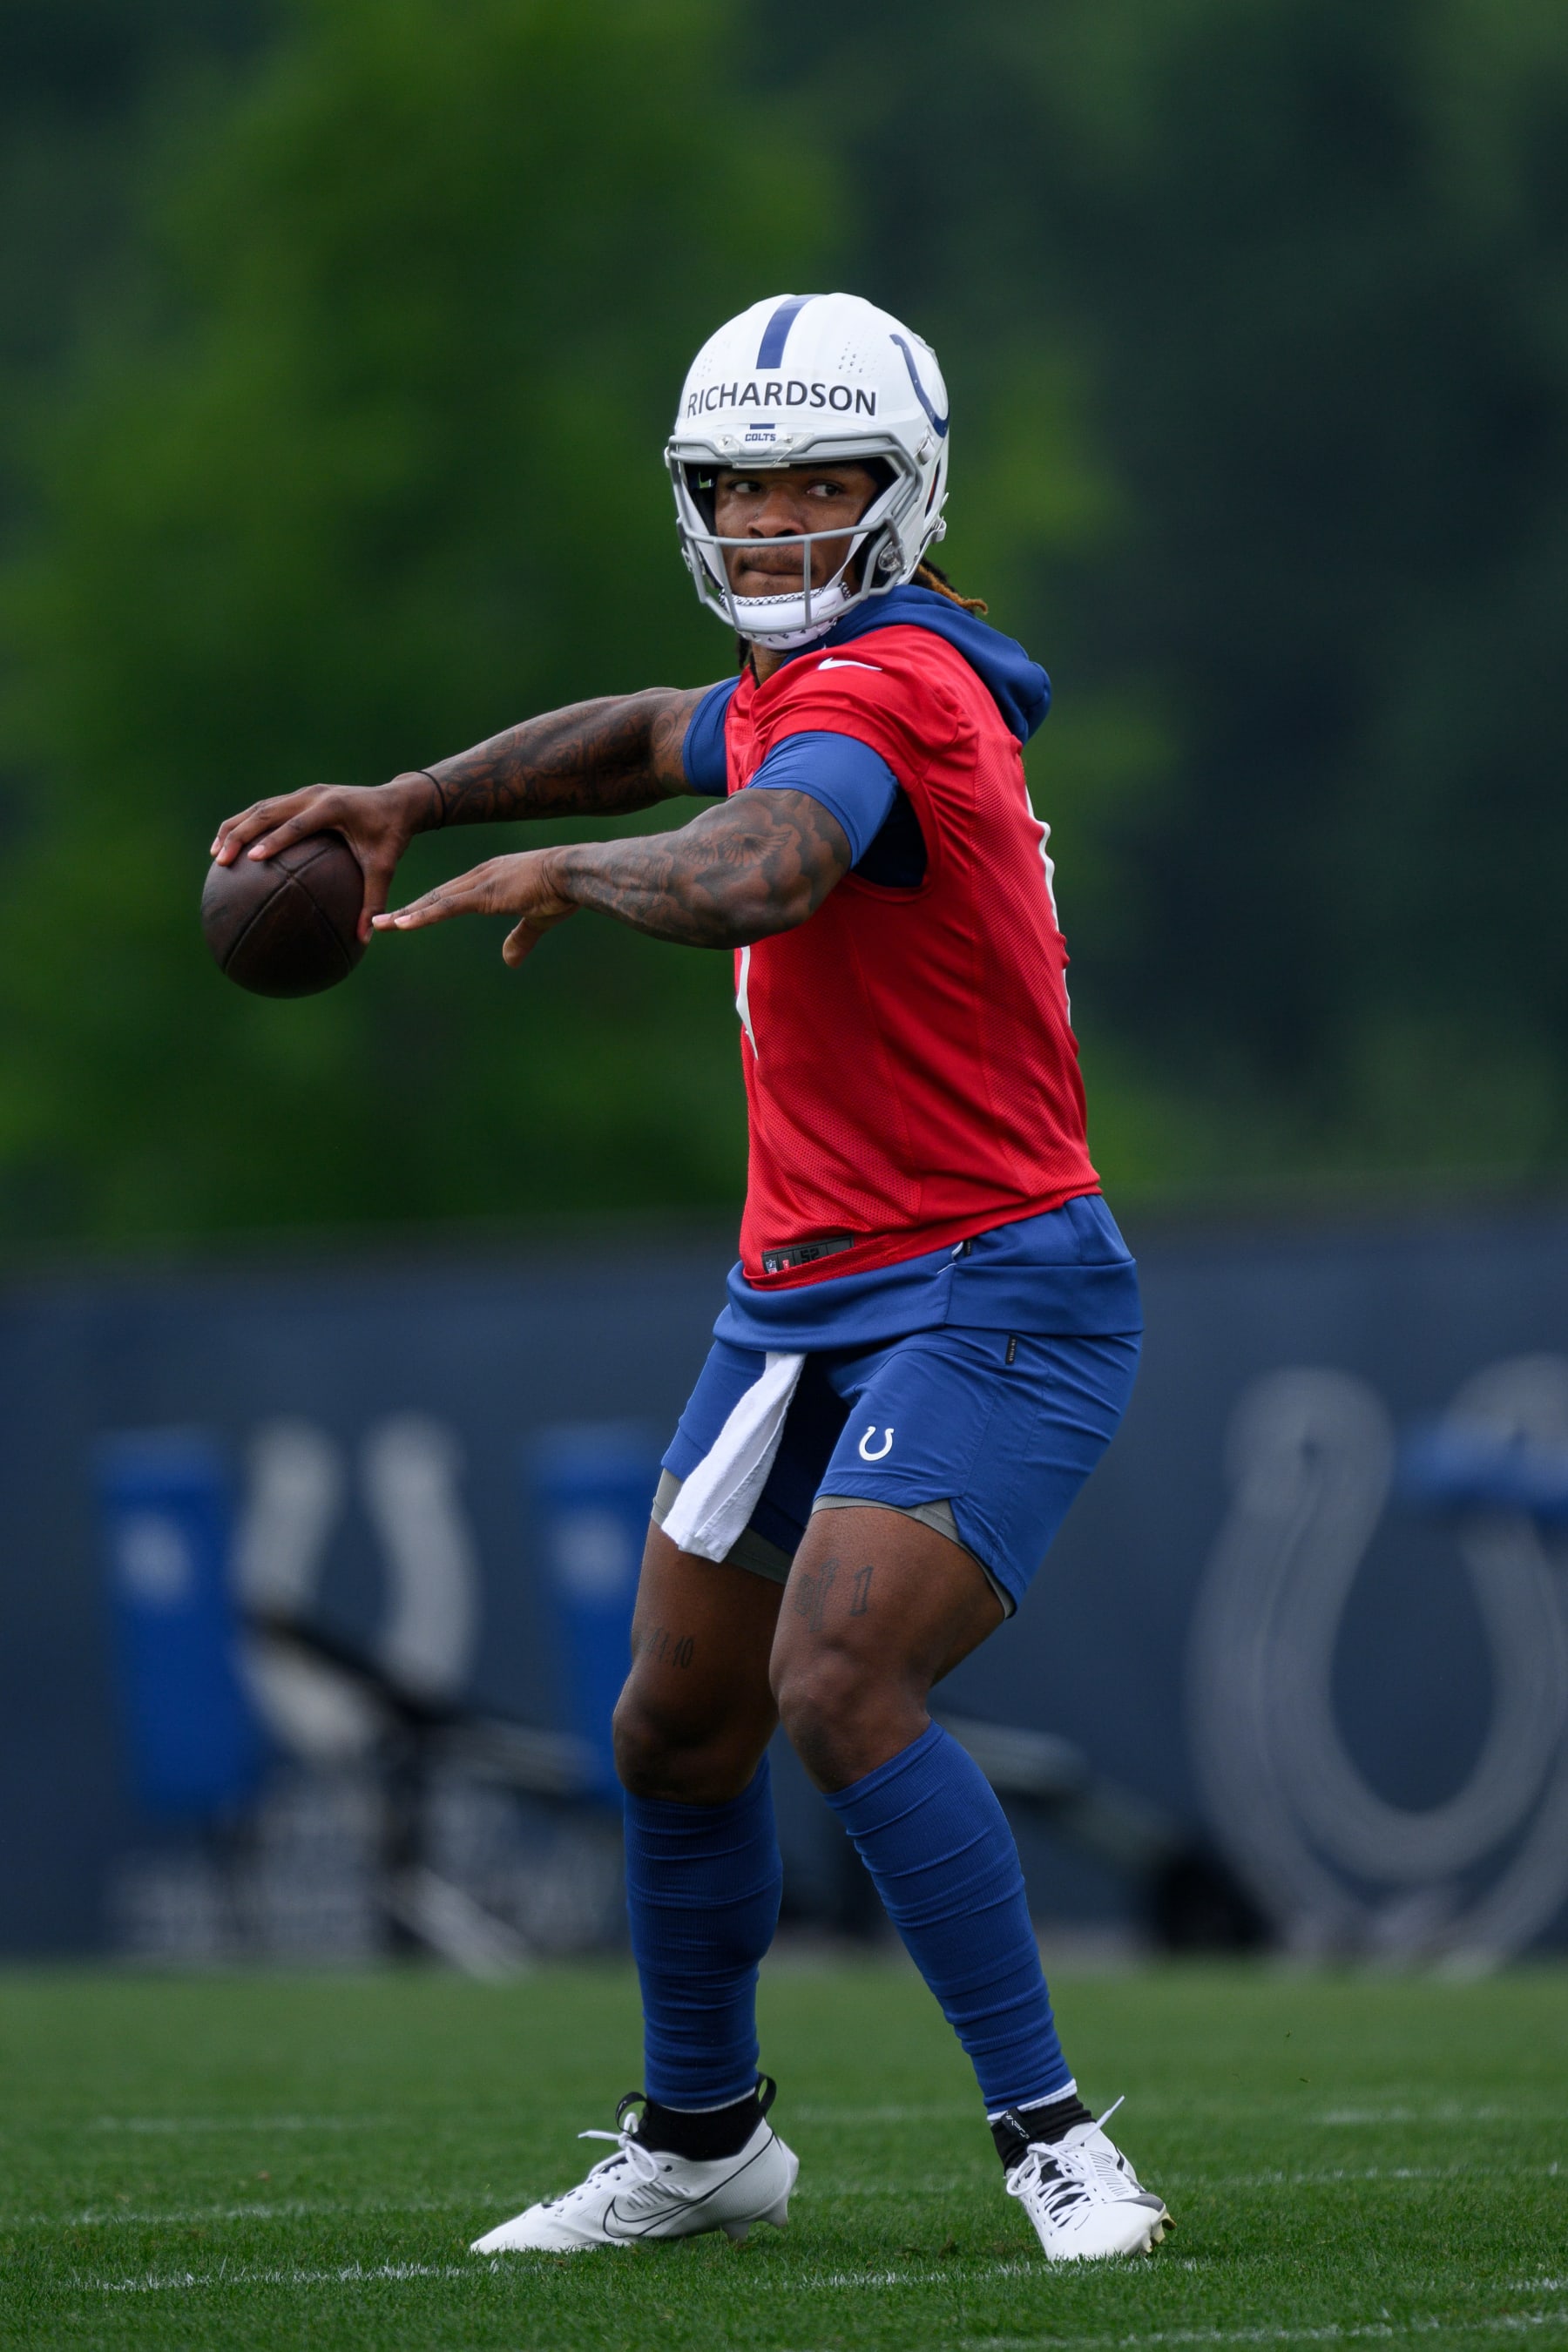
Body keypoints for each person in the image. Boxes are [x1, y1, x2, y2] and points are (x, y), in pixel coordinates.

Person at [211, 292, 1171, 2264]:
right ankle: (704, 2139)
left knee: (840, 1676)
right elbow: (651, 736)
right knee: (675, 1723)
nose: (777, 518)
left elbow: (764, 864)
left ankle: (1058, 2139)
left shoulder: (891, 691)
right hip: (800, 1294)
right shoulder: (794, 682)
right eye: (741, 484)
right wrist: (418, 798)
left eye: (821, 478)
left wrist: (571, 878)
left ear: (900, 492)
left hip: (993, 1280)